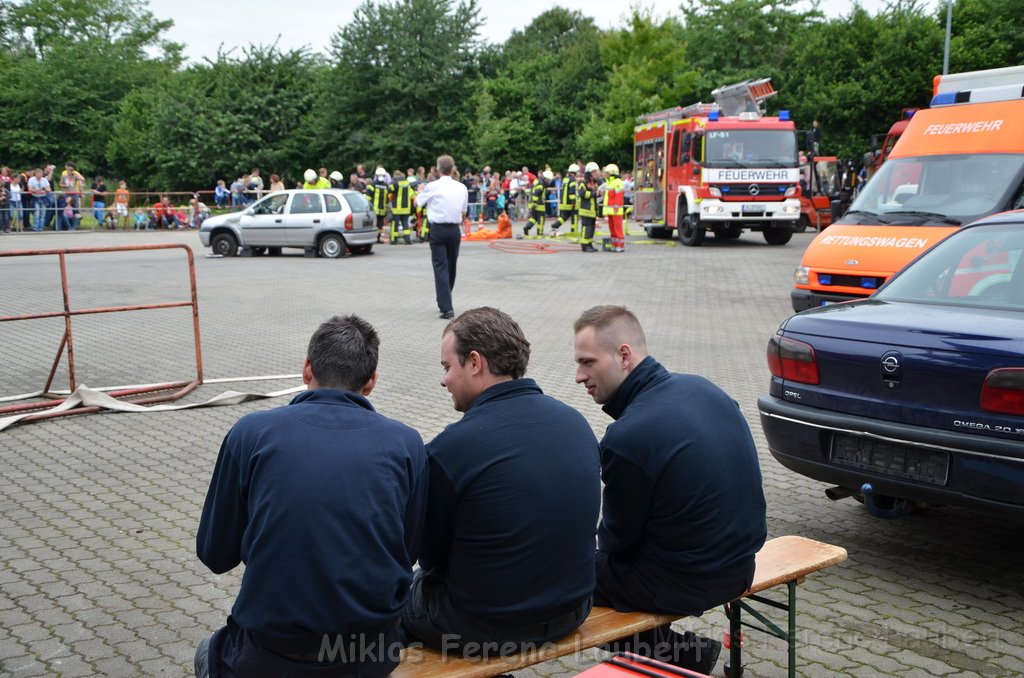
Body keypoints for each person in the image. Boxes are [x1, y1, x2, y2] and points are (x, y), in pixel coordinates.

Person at [195, 315, 428, 678]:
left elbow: (214, 554)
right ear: (371, 383)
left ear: (306, 369)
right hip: (371, 655)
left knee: (207, 651)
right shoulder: (407, 444)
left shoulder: (251, 434)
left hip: (271, 654)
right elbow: (406, 551)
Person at [572, 305, 767, 674]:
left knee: (564, 571)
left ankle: (680, 656)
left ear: (624, 355)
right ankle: (674, 654)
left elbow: (616, 543)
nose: (578, 376)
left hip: (691, 581)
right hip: (742, 565)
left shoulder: (628, 437)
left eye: (587, 362)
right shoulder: (704, 387)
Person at [402, 307, 600, 656]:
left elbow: (431, 558)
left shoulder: (451, 449)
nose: (443, 380)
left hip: (482, 625)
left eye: (447, 367)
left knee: (396, 592)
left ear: (475, 362)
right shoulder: (576, 423)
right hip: (572, 610)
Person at [416, 155, 468, 320]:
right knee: (451, 266)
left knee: (440, 267)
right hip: (454, 229)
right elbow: (464, 211)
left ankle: (446, 306)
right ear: (453, 169)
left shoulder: (432, 186)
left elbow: (418, 203)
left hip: (438, 229)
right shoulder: (461, 187)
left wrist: (420, 191)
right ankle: (445, 299)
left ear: (438, 169)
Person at [548, 163, 578, 237]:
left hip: (563, 202)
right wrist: (573, 202)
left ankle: (555, 225)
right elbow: (571, 192)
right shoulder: (572, 180)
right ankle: (574, 232)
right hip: (569, 203)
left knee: (564, 217)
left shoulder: (565, 179)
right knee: (574, 218)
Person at [603, 164, 626, 252]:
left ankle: (620, 246)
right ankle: (614, 245)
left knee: (617, 228)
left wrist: (616, 205)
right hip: (610, 209)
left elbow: (619, 196)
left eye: (607, 173)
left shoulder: (618, 182)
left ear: (612, 173)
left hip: (616, 210)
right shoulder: (609, 182)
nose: (605, 174)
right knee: (612, 229)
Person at [576, 166, 598, 252]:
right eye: (594, 172)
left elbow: (594, 193)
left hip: (592, 210)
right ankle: (584, 245)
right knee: (586, 228)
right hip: (585, 210)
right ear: (589, 172)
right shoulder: (583, 182)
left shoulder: (594, 182)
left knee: (591, 228)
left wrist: (598, 193)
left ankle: (589, 244)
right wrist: (593, 194)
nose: (596, 174)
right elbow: (582, 193)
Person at [522, 171, 549, 236]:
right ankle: (540, 232)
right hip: (538, 204)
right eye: (547, 179)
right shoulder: (541, 184)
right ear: (545, 178)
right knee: (541, 218)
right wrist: (535, 203)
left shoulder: (536, 181)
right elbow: (537, 193)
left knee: (534, 218)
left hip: (532, 203)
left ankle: (527, 227)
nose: (548, 181)